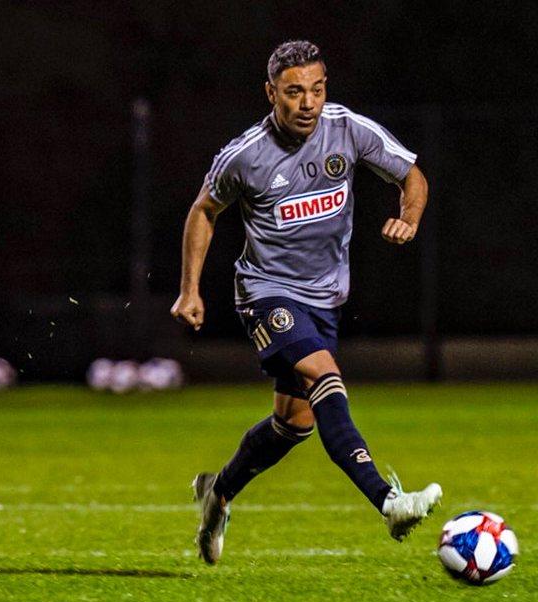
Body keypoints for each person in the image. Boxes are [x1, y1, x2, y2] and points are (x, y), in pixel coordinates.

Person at [171, 40, 442, 564]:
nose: (309, 103)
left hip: (325, 299)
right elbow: (204, 210)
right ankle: (388, 500)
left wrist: (409, 216)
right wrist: (190, 289)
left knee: (294, 423)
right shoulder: (245, 155)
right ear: (271, 93)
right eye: (295, 92)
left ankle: (218, 492)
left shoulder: (347, 128)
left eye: (317, 90)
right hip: (266, 291)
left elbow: (412, 174)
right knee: (324, 374)